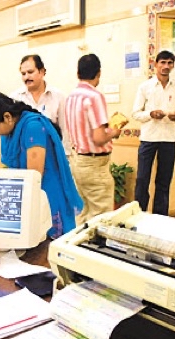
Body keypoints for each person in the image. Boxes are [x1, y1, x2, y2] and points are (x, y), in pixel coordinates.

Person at [0, 92, 82, 239]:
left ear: (7, 117)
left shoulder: (33, 127)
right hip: (28, 192)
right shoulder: (11, 131)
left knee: (47, 243)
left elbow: (35, 175)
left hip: (46, 193)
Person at [65, 53, 124, 225]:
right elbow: (99, 138)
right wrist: (114, 132)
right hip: (94, 165)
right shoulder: (94, 97)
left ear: (78, 73)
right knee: (101, 218)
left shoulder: (71, 97)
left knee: (83, 214)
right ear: (99, 73)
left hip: (77, 161)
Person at [132, 50, 175, 216]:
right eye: (162, 62)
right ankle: (139, 215)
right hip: (148, 138)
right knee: (142, 179)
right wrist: (151, 114)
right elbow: (135, 113)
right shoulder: (145, 87)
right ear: (155, 64)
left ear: (173, 65)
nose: (166, 66)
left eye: (169, 63)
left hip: (168, 139)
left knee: (164, 181)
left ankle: (160, 217)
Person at [10, 55, 71, 155]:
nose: (26, 77)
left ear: (42, 72)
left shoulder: (58, 97)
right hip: (24, 156)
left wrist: (65, 155)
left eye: (30, 72)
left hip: (53, 154)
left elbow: (65, 130)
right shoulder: (15, 98)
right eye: (23, 74)